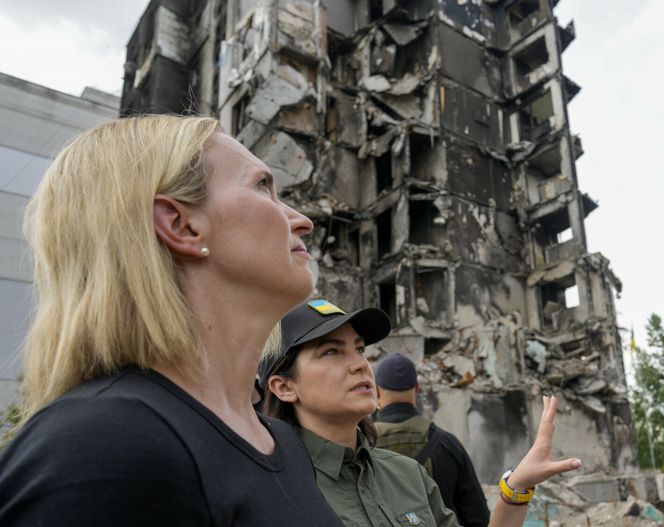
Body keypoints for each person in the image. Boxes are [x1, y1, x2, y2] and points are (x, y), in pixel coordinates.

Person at [0, 115, 343, 526]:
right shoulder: (105, 445)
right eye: (262, 186)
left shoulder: (280, 440)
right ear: (181, 225)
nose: (301, 220)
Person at [260, 299, 582, 527]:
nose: (360, 364)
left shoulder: (408, 475)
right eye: (331, 352)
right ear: (284, 387)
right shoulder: (269, 488)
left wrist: (516, 490)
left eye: (359, 349)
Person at [373, 353, 490, 527]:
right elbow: (478, 517)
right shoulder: (447, 444)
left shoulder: (361, 446)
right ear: (417, 388)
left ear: (376, 390)